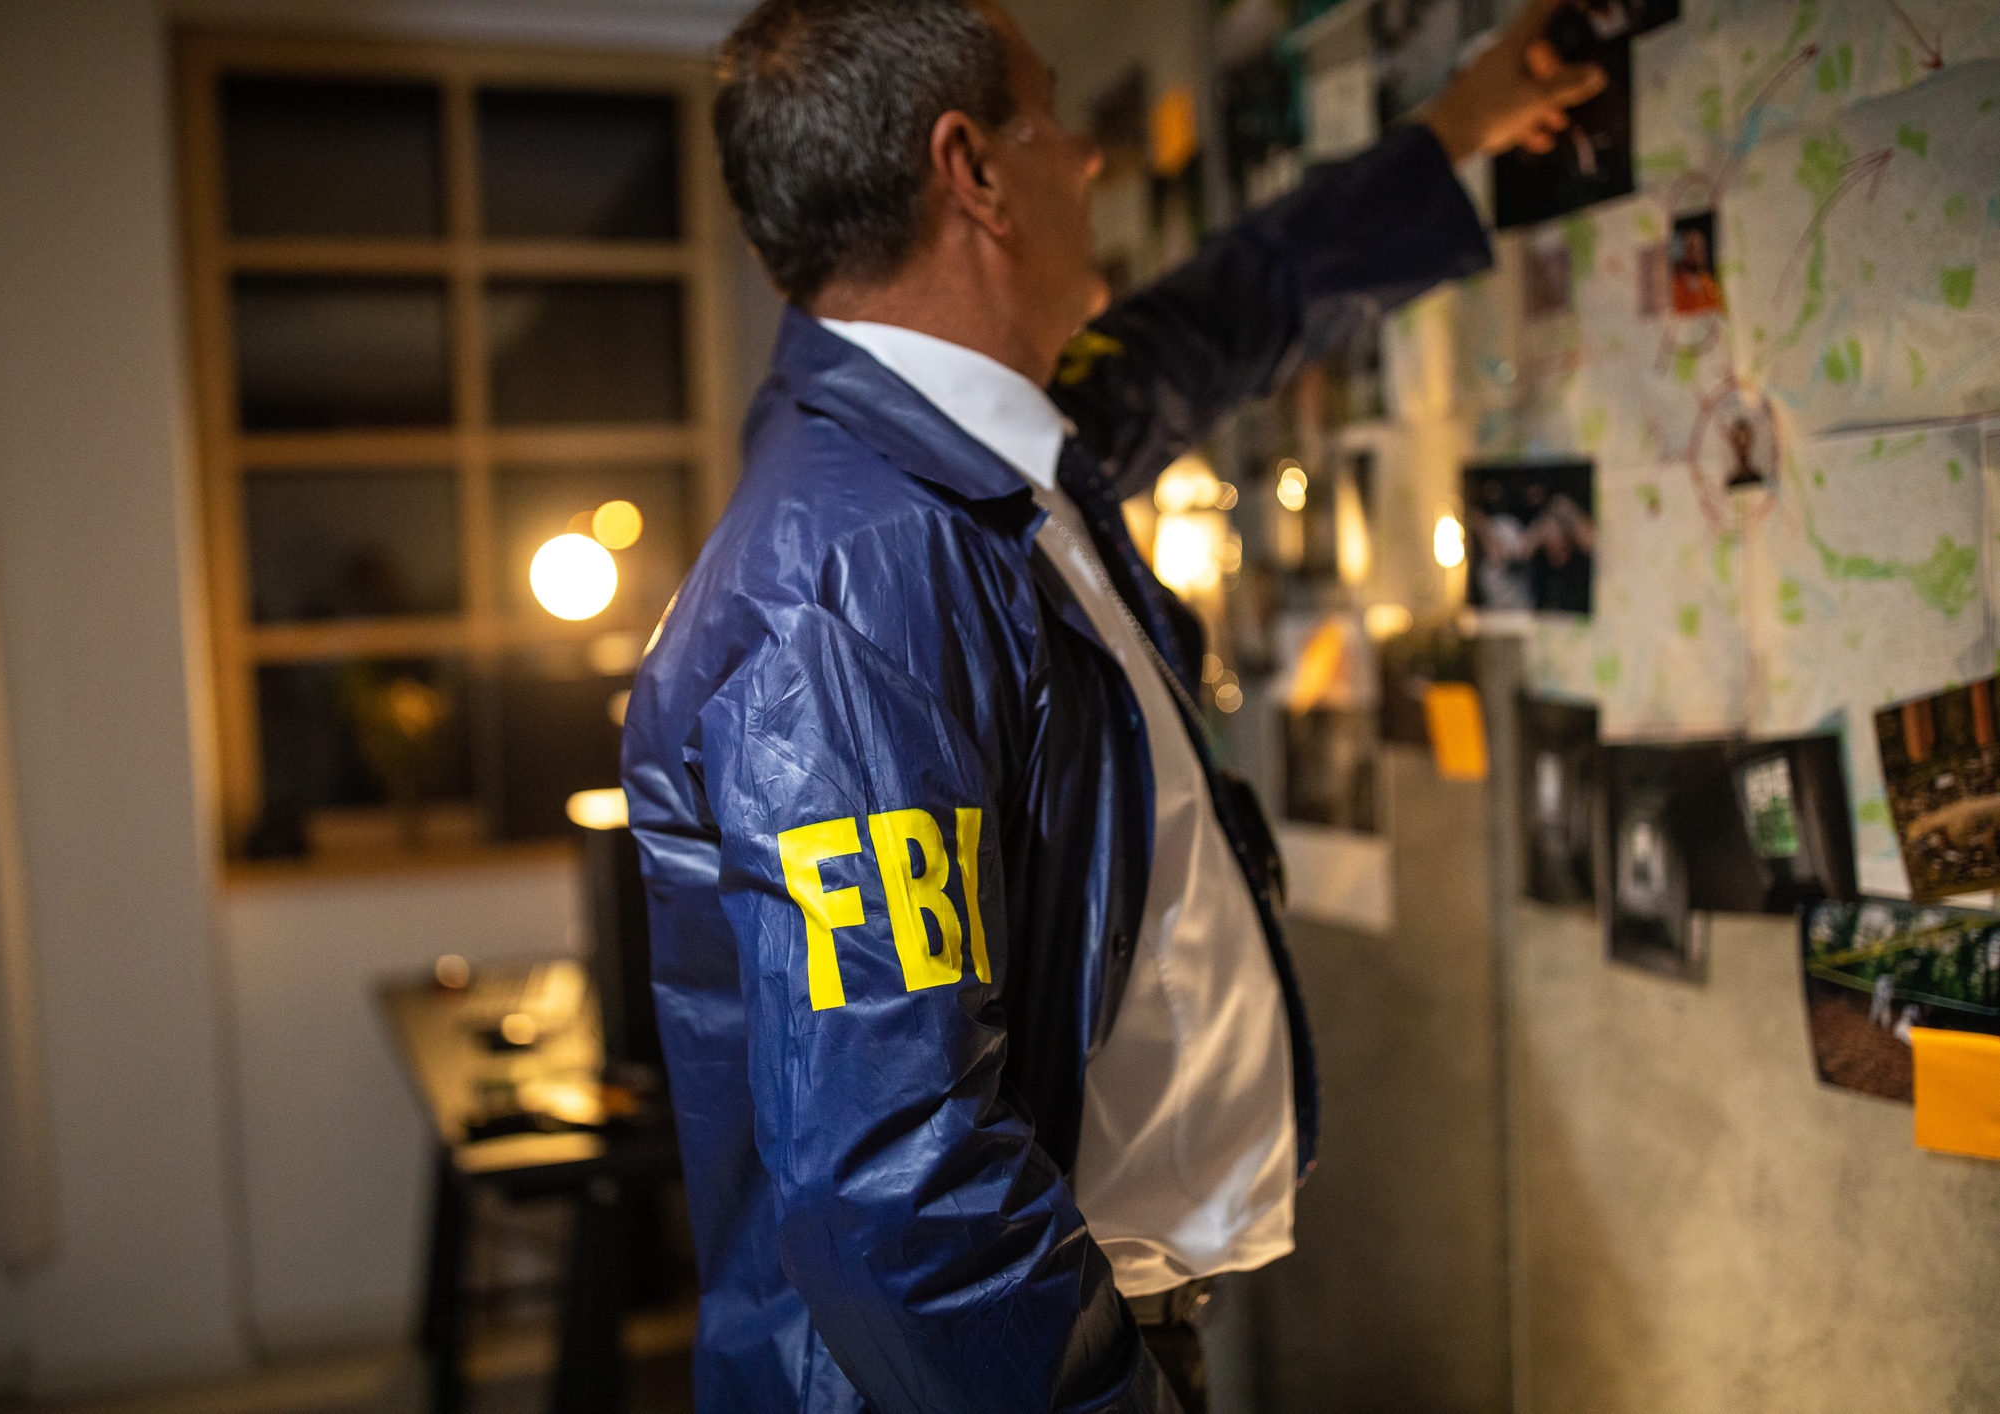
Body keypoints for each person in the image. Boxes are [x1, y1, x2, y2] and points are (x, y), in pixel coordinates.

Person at [621, 2, 1602, 1408]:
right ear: (972, 169)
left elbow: (1218, 321)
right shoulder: (854, 581)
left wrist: (1454, 130)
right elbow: (897, 1175)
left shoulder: (976, 454)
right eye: (1053, 116)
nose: (1086, 159)